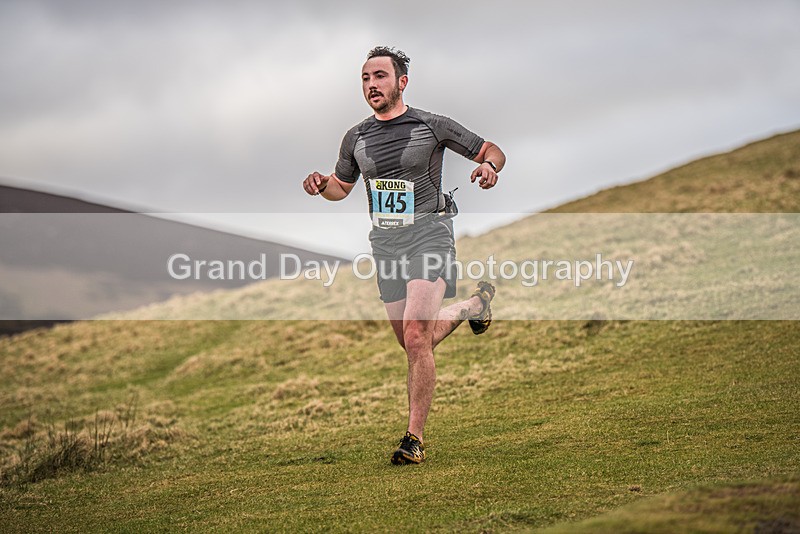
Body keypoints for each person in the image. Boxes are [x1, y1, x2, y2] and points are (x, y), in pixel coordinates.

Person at [302, 46, 506, 465]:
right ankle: (472, 306)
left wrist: (490, 168)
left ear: (401, 82)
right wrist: (323, 183)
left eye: (379, 76)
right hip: (386, 245)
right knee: (414, 340)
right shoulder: (356, 137)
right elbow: (342, 187)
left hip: (430, 234)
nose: (371, 85)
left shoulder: (432, 125)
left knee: (416, 335)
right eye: (365, 78)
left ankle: (413, 438)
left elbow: (491, 149)